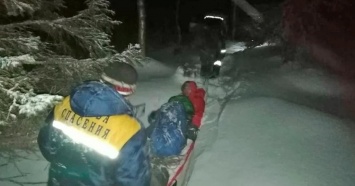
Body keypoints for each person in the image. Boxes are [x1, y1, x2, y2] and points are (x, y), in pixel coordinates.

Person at [37, 62, 151, 186]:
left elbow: (46, 144)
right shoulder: (129, 130)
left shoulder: (66, 103)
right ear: (129, 91)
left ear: (101, 79)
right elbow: (134, 181)